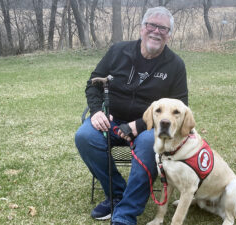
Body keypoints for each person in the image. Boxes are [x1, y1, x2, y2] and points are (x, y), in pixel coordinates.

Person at [75, 6, 188, 225]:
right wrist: (97, 111)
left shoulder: (175, 65)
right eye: (151, 25)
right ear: (141, 29)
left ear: (169, 34)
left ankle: (125, 214)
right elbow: (93, 84)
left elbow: (181, 107)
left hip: (150, 127)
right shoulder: (118, 51)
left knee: (148, 143)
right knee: (84, 136)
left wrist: (140, 124)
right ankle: (117, 194)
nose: (156, 31)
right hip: (112, 121)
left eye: (162, 28)